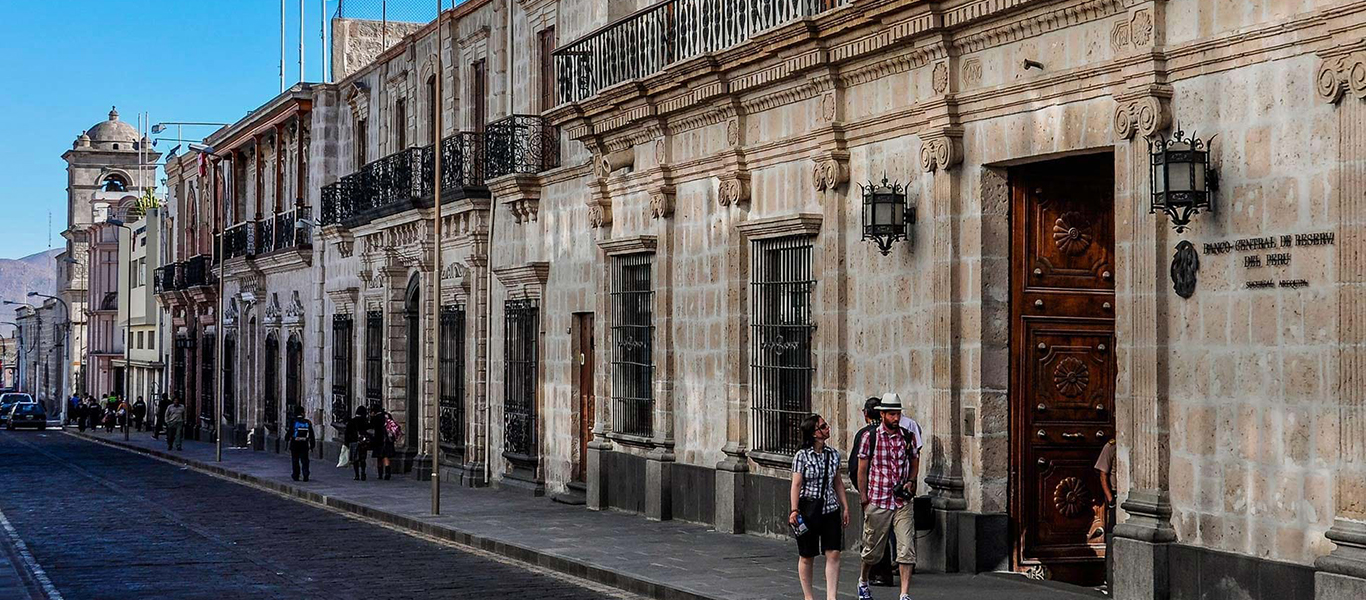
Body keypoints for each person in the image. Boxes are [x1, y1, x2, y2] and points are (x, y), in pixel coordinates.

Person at [856, 393, 920, 600]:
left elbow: (914, 459)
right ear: (882, 414)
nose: (895, 418)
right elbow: (862, 469)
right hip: (879, 499)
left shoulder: (907, 436)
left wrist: (911, 481)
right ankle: (863, 581)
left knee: (906, 548)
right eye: (891, 414)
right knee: (872, 549)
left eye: (898, 414)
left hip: (902, 501)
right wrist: (864, 497)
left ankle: (904, 594)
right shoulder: (870, 437)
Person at [790, 414, 848, 600]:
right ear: (814, 433)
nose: (827, 428)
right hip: (808, 509)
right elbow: (796, 484)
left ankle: (832, 597)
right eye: (823, 426)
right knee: (807, 554)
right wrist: (794, 509)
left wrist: (845, 506)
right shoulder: (802, 456)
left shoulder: (833, 454)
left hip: (830, 509)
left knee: (833, 552)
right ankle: (809, 597)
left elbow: (838, 482)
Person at [849, 397, 894, 587]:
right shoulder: (891, 433)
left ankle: (878, 573)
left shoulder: (865, 434)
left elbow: (855, 467)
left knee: (873, 534)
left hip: (872, 493)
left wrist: (862, 492)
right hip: (892, 492)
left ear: (866, 413)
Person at [1093, 438, 1117, 586]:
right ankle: (1108, 577)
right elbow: (1103, 474)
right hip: (1116, 495)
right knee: (1111, 537)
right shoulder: (1111, 447)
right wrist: (1110, 499)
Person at [285, 407, 317, 482]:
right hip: (304, 443)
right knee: (305, 460)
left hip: (295, 443)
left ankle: (296, 475)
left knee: (295, 460)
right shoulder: (308, 422)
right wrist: (312, 444)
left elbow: (290, 432)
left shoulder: (293, 421)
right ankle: (306, 474)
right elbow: (311, 434)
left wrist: (287, 438)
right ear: (302, 413)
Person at [344, 406, 371, 481]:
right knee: (363, 458)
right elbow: (369, 427)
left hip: (353, 442)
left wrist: (346, 442)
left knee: (355, 459)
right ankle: (363, 472)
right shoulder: (364, 421)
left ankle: (356, 474)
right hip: (362, 442)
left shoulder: (351, 421)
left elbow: (347, 433)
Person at [370, 408, 396, 480]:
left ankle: (380, 474)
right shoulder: (387, 415)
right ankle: (388, 473)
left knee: (379, 457)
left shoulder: (376, 418)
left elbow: (372, 427)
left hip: (379, 439)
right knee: (386, 456)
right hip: (388, 439)